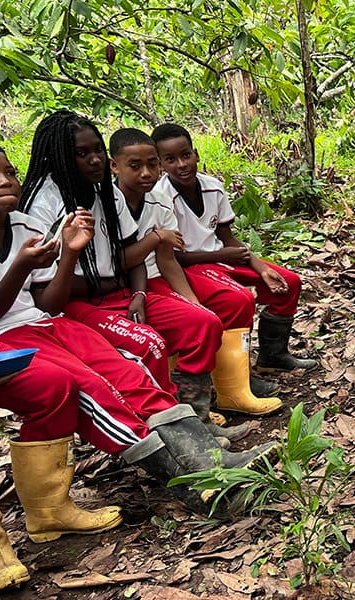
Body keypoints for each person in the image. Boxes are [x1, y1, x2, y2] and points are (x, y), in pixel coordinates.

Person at [0, 142, 265, 584]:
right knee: (91, 389)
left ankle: (207, 456)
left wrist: (71, 253)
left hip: (45, 323)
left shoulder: (22, 225)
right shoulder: (30, 227)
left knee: (127, 371)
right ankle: (195, 483)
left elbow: (49, 301)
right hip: (1, 339)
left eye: (8, 172)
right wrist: (20, 268)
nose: (5, 182)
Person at [18, 111, 223, 400]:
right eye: (81, 153)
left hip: (121, 291)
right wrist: (111, 283)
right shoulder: (43, 205)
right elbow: (47, 293)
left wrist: (138, 294)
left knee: (203, 323)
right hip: (77, 304)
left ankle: (196, 414)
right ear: (60, 156)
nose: (95, 159)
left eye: (98, 149)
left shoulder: (106, 192)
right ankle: (165, 426)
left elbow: (132, 254)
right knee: (149, 343)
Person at [110, 128, 278, 424]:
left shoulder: (159, 204)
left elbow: (166, 260)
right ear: (115, 166)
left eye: (152, 164)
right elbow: (126, 259)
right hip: (116, 288)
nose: (147, 173)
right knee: (200, 321)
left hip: (156, 276)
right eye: (136, 166)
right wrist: (155, 241)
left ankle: (220, 397)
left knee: (207, 316)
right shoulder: (107, 204)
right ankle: (187, 413)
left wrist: (191, 301)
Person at [152, 123, 319, 373]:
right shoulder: (161, 198)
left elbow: (227, 238)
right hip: (189, 267)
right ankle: (238, 376)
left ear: (195, 154)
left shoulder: (212, 187)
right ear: (161, 164)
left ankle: (273, 355)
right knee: (237, 300)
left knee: (289, 282)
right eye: (170, 159)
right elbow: (171, 258)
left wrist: (260, 267)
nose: (181, 164)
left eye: (186, 155)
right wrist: (220, 255)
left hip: (220, 258)